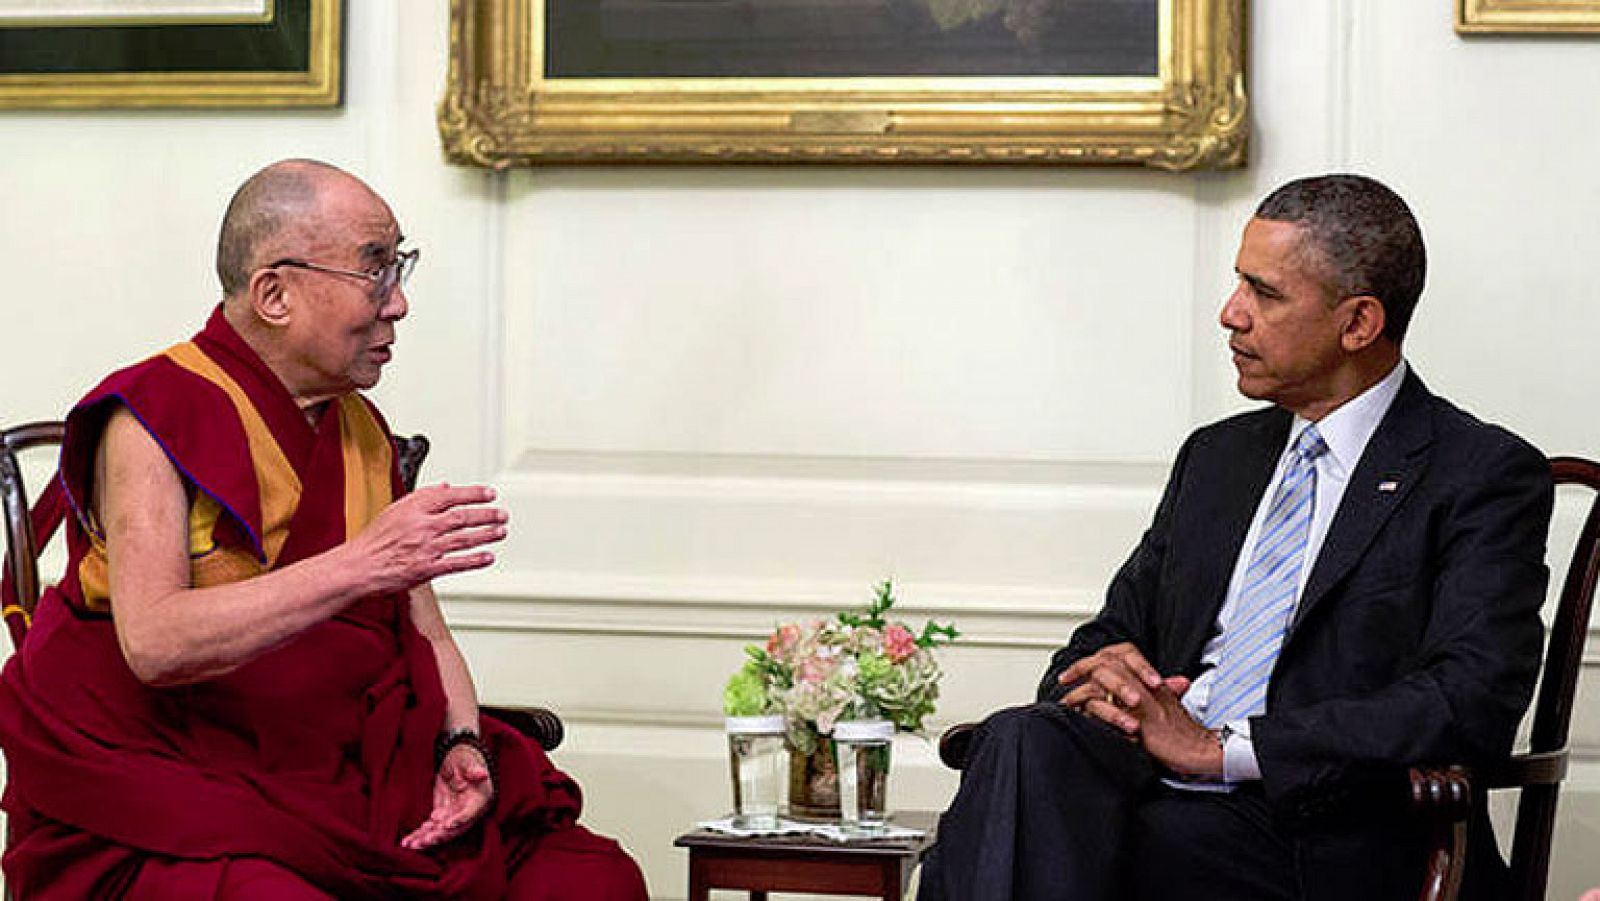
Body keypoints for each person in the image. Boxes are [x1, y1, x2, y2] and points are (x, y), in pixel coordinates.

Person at [0, 159, 649, 900]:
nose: (398, 302)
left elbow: (426, 632)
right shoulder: (154, 415)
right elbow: (154, 644)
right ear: (274, 292)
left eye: (398, 268)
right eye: (375, 270)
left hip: (346, 778)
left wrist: (460, 743)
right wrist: (361, 562)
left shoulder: (360, 431)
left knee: (593, 879)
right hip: (188, 792)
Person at [917, 174, 1552, 901]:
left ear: (1358, 323)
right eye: (1236, 285)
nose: (1230, 314)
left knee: (1025, 842)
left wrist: (1223, 750)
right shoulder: (1217, 458)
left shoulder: (1479, 472)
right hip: (1152, 792)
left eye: (1265, 293)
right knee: (1022, 739)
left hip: (1322, 830)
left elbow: (1470, 699)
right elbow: (1096, 645)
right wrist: (1112, 682)